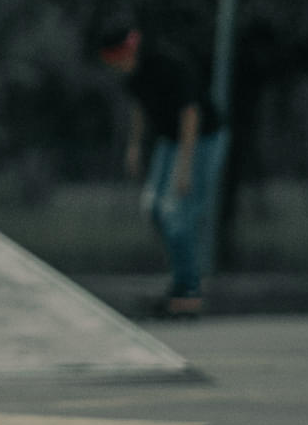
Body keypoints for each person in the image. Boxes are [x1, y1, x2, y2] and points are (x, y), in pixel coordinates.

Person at [93, 17, 220, 316]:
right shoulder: (133, 76)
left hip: (200, 138)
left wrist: (185, 168)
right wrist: (135, 146)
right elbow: (140, 106)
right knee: (153, 208)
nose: (114, 66)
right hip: (169, 140)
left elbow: (191, 114)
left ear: (127, 51)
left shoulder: (167, 65)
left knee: (177, 213)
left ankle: (189, 291)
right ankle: (180, 279)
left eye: (115, 59)